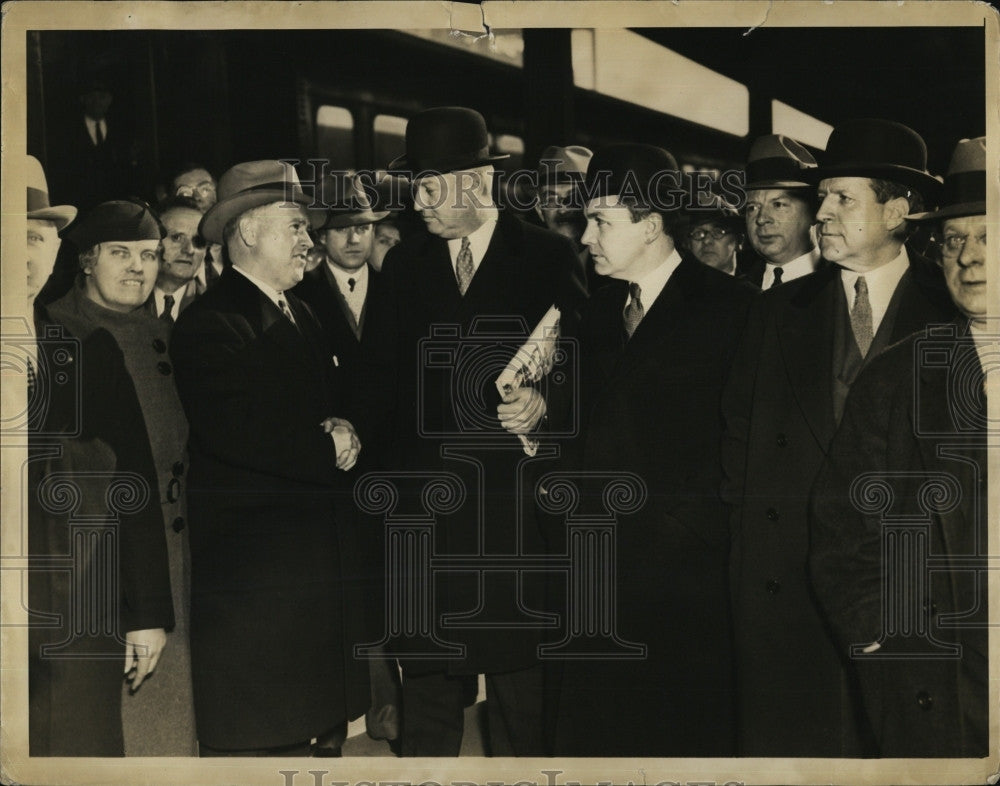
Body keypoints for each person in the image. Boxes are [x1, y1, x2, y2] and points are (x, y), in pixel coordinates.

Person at [351, 106, 587, 757]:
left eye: (430, 187)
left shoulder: (547, 255)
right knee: (426, 693)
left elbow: (584, 365)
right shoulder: (404, 266)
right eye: (415, 187)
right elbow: (378, 380)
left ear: (475, 182)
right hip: (425, 518)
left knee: (522, 698)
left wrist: (547, 406)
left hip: (513, 518)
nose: (419, 203)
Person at [721, 119, 957, 756]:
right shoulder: (776, 312)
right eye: (821, 197)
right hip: (786, 589)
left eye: (842, 198)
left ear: (898, 211)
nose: (820, 211)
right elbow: (738, 450)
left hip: (909, 598)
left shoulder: (952, 311)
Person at [544, 144, 755, 757]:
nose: (586, 237)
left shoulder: (732, 309)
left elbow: (741, 442)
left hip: (683, 579)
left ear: (653, 225)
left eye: (602, 222)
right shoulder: (591, 310)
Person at [170, 160, 368, 756]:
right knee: (270, 739)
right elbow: (236, 427)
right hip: (260, 586)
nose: (310, 241)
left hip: (307, 578)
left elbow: (326, 404)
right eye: (296, 226)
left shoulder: (301, 311)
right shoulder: (212, 321)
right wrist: (324, 443)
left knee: (320, 732)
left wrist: (346, 426)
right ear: (248, 233)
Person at [810, 137, 989, 758]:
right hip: (936, 681)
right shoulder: (895, 377)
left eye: (989, 236)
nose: (970, 258)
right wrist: (884, 648)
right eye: (955, 240)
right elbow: (843, 536)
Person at [30, 200, 181, 756]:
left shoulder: (165, 331)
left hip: (163, 565)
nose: (138, 267)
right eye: (121, 253)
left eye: (149, 254)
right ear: (87, 261)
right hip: (94, 574)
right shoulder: (66, 334)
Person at [292, 173, 402, 749]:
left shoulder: (396, 290)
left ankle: (388, 707)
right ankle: (342, 715)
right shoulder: (301, 297)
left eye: (363, 227)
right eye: (341, 230)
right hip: (334, 469)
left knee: (388, 590)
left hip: (389, 470)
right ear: (320, 237)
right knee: (343, 593)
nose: (355, 240)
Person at [741, 134, 822, 289]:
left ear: (814, 211)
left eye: (778, 204)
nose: (761, 219)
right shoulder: (735, 292)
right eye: (752, 207)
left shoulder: (844, 285)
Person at [147, 196, 208, 327]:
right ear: (153, 242)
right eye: (177, 237)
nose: (189, 250)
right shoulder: (126, 300)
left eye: (198, 242)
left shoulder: (214, 308)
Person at [684, 205, 745, 275]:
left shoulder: (756, 284)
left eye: (718, 232)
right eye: (698, 233)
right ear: (688, 244)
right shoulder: (674, 284)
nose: (707, 241)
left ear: (739, 241)